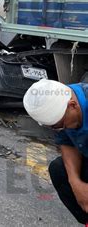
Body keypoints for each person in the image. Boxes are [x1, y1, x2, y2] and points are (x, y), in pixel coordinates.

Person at [23, 79, 88, 225]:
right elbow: (67, 142)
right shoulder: (61, 100)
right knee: (58, 169)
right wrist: (76, 184)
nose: (62, 129)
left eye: (63, 125)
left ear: (73, 105)